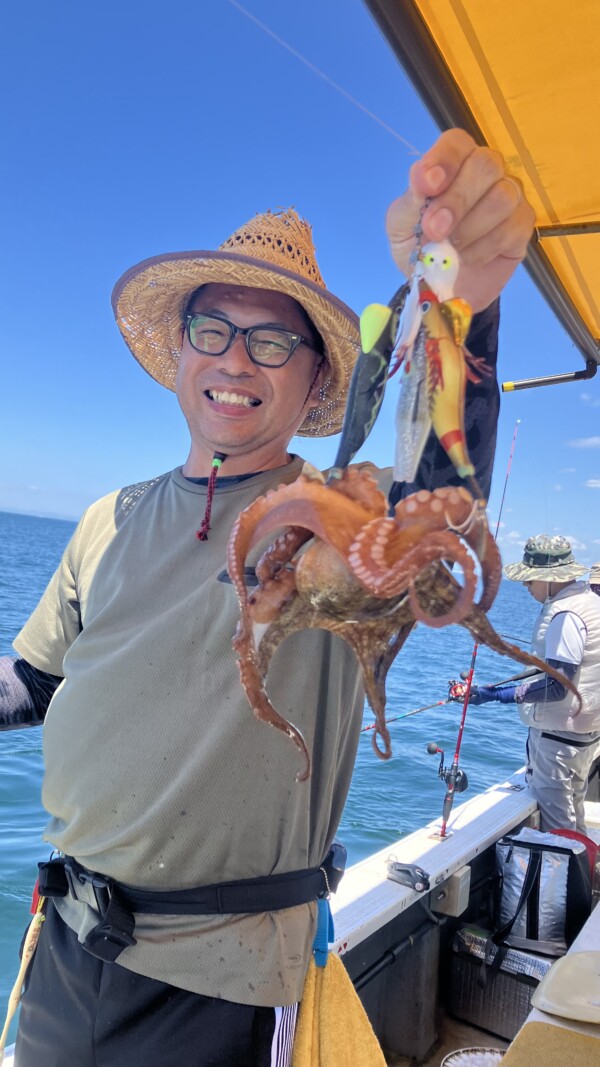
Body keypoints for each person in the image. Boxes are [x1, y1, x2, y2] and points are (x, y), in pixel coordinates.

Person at [0, 129, 534, 1067]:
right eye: (214, 332)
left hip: (226, 977)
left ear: (318, 373)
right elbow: (36, 681)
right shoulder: (105, 520)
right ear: (180, 354)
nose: (237, 361)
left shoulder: (333, 533)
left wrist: (463, 309)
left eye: (273, 340)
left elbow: (430, 501)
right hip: (65, 946)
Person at [451, 535, 600, 834]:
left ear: (548, 578)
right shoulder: (591, 603)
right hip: (583, 738)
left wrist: (494, 694)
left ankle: (569, 882)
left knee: (560, 833)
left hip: (557, 744)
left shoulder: (566, 615)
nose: (526, 586)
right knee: (575, 822)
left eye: (530, 579)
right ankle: (580, 874)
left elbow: (558, 687)